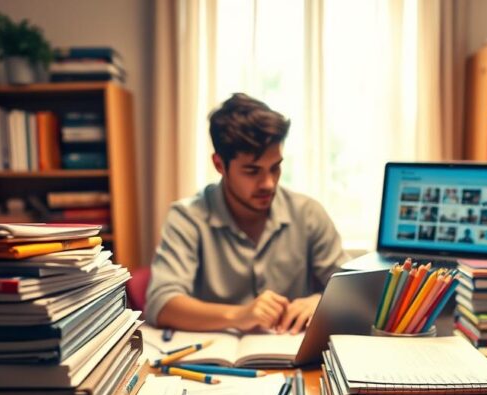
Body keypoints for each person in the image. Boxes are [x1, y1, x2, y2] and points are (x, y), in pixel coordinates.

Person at [146, 93, 346, 334]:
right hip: (211, 364)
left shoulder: (308, 213)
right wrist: (239, 315)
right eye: (252, 171)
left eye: (275, 167)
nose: (269, 183)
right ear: (219, 165)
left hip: (293, 361)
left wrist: (318, 302)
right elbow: (161, 304)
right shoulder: (186, 217)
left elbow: (349, 290)